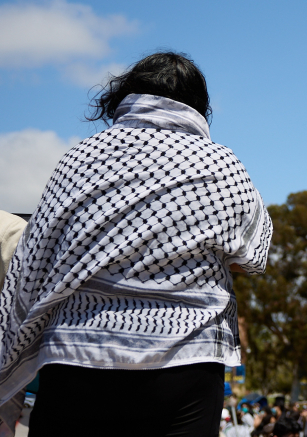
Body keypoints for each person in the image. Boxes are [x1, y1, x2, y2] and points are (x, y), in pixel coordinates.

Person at [0, 52, 273, 437]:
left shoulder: (79, 159)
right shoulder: (222, 165)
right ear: (199, 105)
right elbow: (254, 257)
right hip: (186, 363)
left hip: (78, 359)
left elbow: (31, 263)